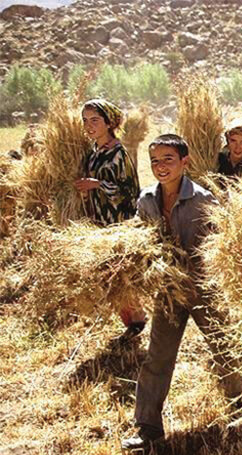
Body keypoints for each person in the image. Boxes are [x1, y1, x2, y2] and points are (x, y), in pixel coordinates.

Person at [122, 134, 242, 450]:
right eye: (155, 161)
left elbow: (221, 243)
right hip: (169, 291)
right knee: (157, 357)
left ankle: (241, 411)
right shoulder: (147, 200)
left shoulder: (204, 199)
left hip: (204, 289)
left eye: (168, 159)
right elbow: (142, 239)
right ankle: (147, 425)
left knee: (225, 352)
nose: (161, 167)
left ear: (184, 162)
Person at [76, 99, 145, 341]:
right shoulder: (94, 154)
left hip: (119, 222)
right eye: (85, 120)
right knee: (109, 274)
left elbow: (130, 190)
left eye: (95, 120)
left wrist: (98, 185)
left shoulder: (118, 153)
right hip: (100, 221)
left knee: (122, 272)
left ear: (109, 123)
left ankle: (138, 321)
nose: (89, 125)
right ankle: (128, 320)